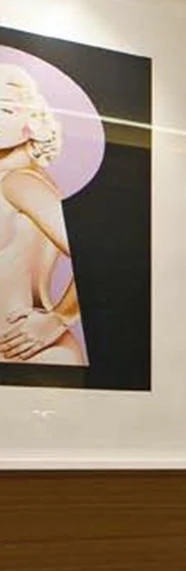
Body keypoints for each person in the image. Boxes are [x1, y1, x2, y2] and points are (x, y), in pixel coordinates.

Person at [0, 62, 87, 367]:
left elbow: (100, 258)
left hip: (32, 354)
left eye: (5, 109)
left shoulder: (19, 182)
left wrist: (60, 318)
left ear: (34, 120)